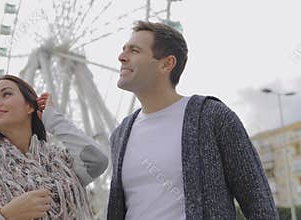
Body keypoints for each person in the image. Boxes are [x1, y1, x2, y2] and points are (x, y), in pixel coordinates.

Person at [107, 21, 278, 219]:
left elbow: (258, 200)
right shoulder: (120, 135)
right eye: (123, 50)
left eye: (134, 51)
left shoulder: (213, 117)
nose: (121, 57)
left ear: (166, 64)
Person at [0, 75, 108, 220]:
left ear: (30, 106)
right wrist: (6, 215)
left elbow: (96, 159)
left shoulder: (63, 164)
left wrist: (52, 119)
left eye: (6, 94)